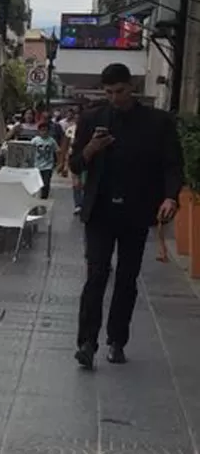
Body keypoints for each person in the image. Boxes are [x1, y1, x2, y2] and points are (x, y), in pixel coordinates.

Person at [69, 63, 183, 369]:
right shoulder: (93, 118)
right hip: (100, 211)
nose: (114, 98)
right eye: (108, 93)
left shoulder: (157, 122)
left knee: (127, 278)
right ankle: (87, 342)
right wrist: (92, 148)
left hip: (136, 210)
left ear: (130, 87)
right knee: (96, 275)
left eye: (119, 91)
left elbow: (172, 164)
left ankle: (117, 340)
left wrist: (171, 197)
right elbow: (76, 164)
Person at [31, 121, 58, 200]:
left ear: (48, 131)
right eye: (42, 130)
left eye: (46, 130)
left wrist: (59, 163)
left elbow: (57, 150)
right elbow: (30, 149)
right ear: (39, 131)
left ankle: (44, 197)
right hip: (37, 165)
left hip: (48, 166)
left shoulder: (51, 140)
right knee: (36, 183)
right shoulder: (35, 140)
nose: (44, 132)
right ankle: (35, 196)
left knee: (46, 183)